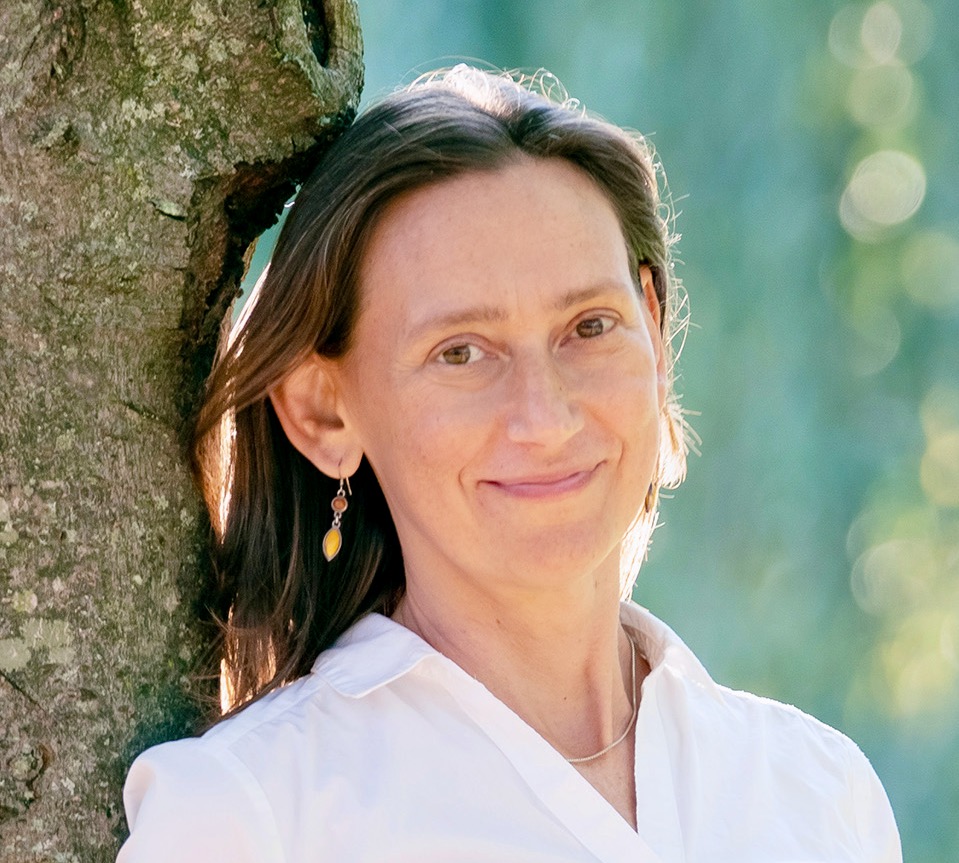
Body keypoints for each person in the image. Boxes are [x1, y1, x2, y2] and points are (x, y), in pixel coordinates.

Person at [118, 65, 901, 862]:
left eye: (589, 327)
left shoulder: (817, 791)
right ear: (323, 410)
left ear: (654, 333)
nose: (545, 416)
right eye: (460, 352)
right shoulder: (251, 816)